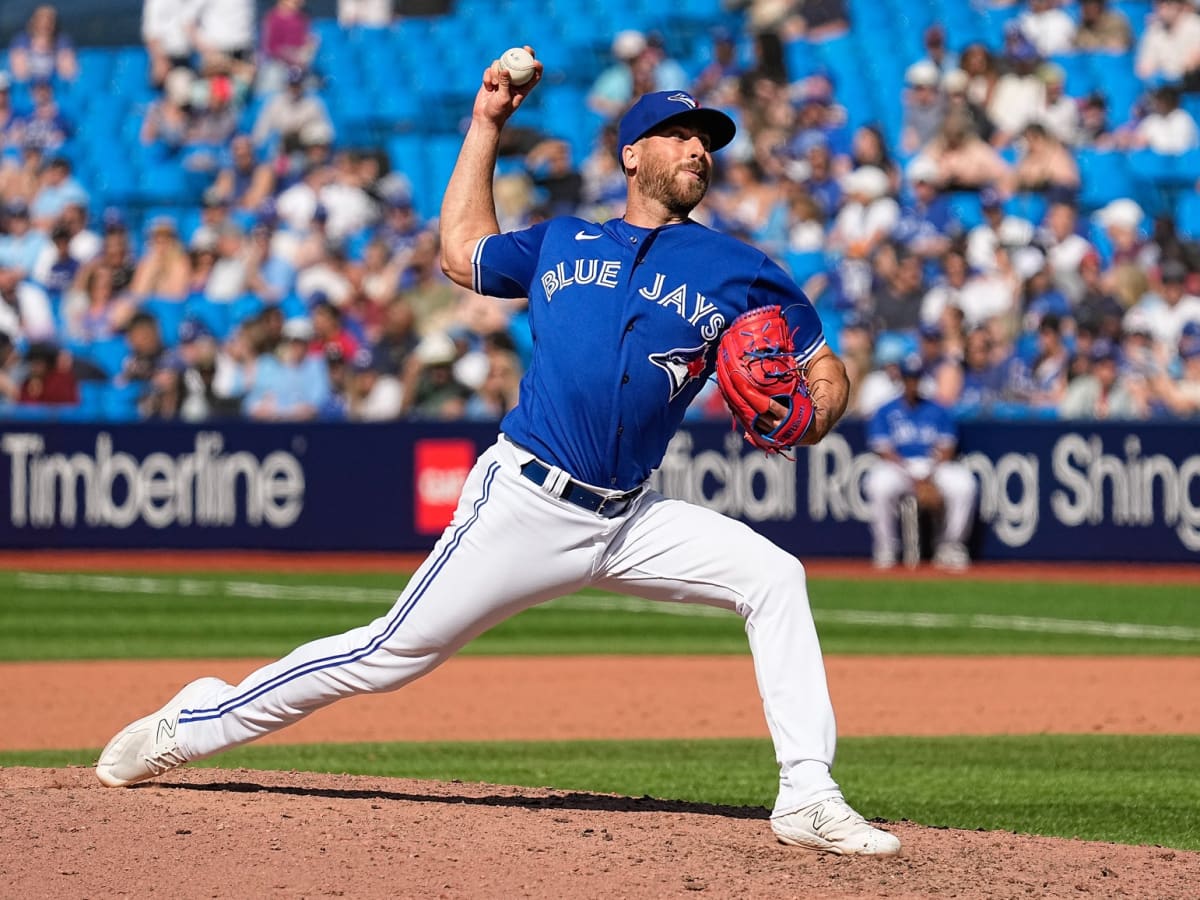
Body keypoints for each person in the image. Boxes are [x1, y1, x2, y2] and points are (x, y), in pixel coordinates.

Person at [95, 58, 901, 858]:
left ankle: (808, 793)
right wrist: (487, 123)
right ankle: (193, 723)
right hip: (526, 501)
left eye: (706, 139)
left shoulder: (740, 270)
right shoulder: (564, 238)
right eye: (678, 133)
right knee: (384, 657)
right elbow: (461, 252)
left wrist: (814, 410)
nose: (698, 149)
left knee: (775, 577)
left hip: (630, 516)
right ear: (631, 154)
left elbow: (823, 370)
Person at [864, 353, 977, 571]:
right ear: (902, 380)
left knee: (965, 484)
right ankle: (886, 548)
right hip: (900, 467)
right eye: (908, 378)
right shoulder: (886, 410)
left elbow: (947, 448)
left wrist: (929, 475)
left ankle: (950, 546)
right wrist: (911, 476)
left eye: (915, 378)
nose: (912, 383)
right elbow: (883, 450)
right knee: (877, 484)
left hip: (932, 466)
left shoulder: (937, 409)